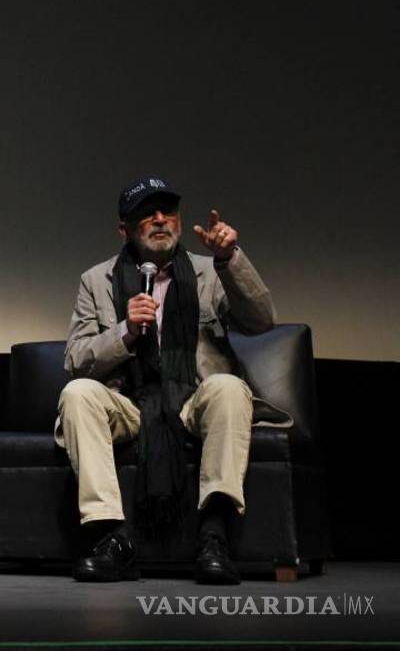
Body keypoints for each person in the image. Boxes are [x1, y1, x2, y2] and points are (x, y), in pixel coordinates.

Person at [57, 176, 289, 585]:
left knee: (229, 386)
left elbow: (260, 321)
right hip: (129, 403)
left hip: (193, 400)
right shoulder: (97, 281)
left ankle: (214, 538)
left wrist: (229, 257)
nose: (160, 219)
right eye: (147, 213)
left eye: (168, 211)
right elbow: (75, 360)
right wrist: (125, 331)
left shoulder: (208, 272)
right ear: (124, 229)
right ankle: (112, 540)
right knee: (78, 393)